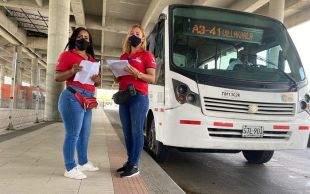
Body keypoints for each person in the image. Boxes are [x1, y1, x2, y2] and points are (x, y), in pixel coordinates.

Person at [55, 27, 101, 180]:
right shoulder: (67, 55)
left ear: (90, 41)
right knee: (73, 134)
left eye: (86, 37)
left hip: (88, 100)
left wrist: (97, 80)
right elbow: (58, 77)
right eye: (80, 36)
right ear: (75, 39)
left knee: (85, 134)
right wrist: (72, 71)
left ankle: (83, 162)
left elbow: (98, 83)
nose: (83, 39)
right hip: (72, 98)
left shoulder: (92, 59)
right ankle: (70, 167)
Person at [115, 24, 156, 177]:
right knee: (126, 132)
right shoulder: (123, 57)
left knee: (136, 131)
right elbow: (118, 78)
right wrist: (115, 72)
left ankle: (135, 164)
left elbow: (152, 78)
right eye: (131, 33)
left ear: (142, 38)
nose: (134, 35)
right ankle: (130, 161)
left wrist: (138, 73)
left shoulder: (147, 55)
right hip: (124, 96)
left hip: (138, 97)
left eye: (137, 33)